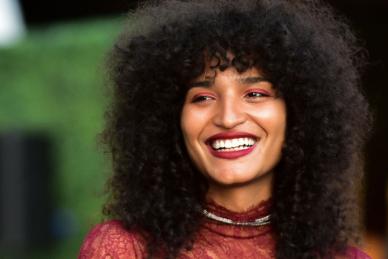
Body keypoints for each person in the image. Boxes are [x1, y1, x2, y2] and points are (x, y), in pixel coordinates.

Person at [78, 0, 373, 258]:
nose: (228, 117)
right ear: (170, 119)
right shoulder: (123, 249)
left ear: (299, 114)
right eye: (202, 97)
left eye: (255, 94)